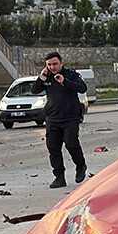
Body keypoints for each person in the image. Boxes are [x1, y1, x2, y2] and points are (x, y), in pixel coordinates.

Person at [30, 52, 87, 189]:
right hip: (52, 118)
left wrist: (65, 81)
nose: (52, 67)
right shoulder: (46, 77)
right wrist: (41, 77)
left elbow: (82, 88)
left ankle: (80, 166)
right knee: (53, 148)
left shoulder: (70, 75)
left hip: (70, 117)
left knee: (71, 144)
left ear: (61, 63)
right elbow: (34, 90)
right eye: (49, 65)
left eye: (55, 64)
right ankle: (59, 177)